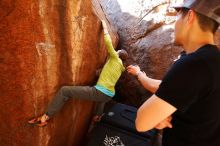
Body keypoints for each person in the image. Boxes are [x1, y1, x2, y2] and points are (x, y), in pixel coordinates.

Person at [128, 0, 220, 146]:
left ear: (190, 16)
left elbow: (142, 122)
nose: (174, 23)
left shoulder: (194, 64)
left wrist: (157, 117)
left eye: (177, 15)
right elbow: (175, 90)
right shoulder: (212, 60)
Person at [28, 20, 128, 127]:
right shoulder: (120, 68)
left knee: (64, 91)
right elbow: (109, 74)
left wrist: (105, 28)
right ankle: (97, 117)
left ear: (118, 54)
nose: (115, 53)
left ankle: (45, 117)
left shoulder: (115, 58)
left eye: (116, 52)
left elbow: (108, 43)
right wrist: (99, 72)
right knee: (101, 100)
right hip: (109, 95)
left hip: (100, 92)